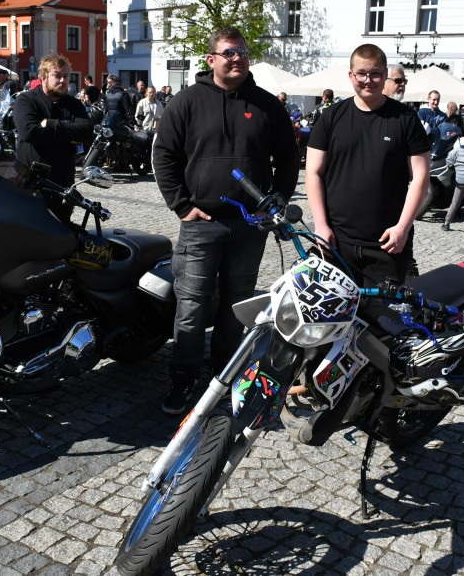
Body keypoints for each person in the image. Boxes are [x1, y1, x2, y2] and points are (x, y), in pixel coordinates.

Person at [153, 26, 298, 415]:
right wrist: (181, 205)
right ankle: (184, 378)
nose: (236, 59)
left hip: (250, 225)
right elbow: (163, 155)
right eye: (229, 52)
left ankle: (223, 375)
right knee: (192, 304)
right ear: (211, 58)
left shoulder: (267, 105)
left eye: (242, 52)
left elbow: (288, 157)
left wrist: (276, 200)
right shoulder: (185, 102)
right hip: (200, 223)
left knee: (237, 303)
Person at [306, 43, 430, 287]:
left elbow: (421, 176)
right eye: (361, 74)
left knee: (383, 320)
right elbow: (313, 171)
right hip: (336, 240)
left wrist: (403, 228)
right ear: (351, 76)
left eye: (375, 74)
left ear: (385, 75)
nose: (368, 80)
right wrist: (320, 226)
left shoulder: (405, 118)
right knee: (333, 322)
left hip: (388, 242)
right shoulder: (331, 116)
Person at [12, 53, 95, 223]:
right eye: (57, 75)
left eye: (66, 76)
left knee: (60, 233)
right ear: (43, 77)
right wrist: (68, 135)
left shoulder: (73, 104)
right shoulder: (26, 100)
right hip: (29, 182)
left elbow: (87, 132)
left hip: (62, 183)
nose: (63, 80)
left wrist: (50, 125)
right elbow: (29, 132)